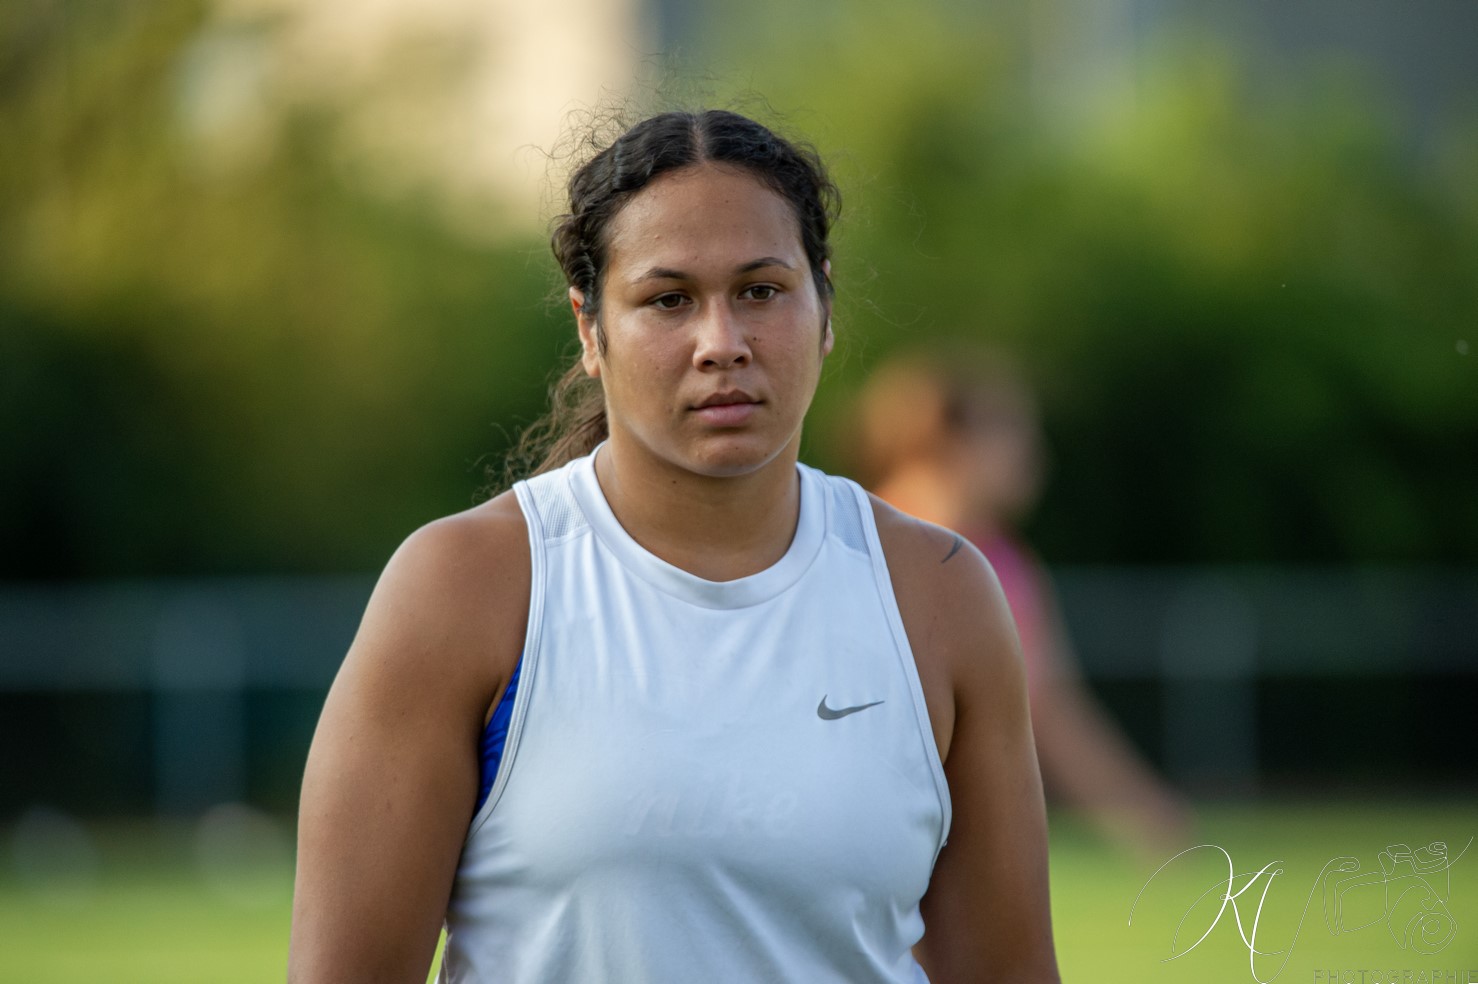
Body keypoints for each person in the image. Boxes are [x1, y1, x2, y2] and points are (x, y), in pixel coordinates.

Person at [288, 110, 1060, 983]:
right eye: (668, 300)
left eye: (762, 291)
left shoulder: (941, 592)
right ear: (590, 328)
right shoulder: (468, 587)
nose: (722, 344)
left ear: (825, 305)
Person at [857, 347, 1192, 861]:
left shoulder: (1004, 562)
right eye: (1016, 433)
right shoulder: (856, 540)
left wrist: (1141, 813)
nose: (1034, 454)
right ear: (955, 440)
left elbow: (1051, 704)